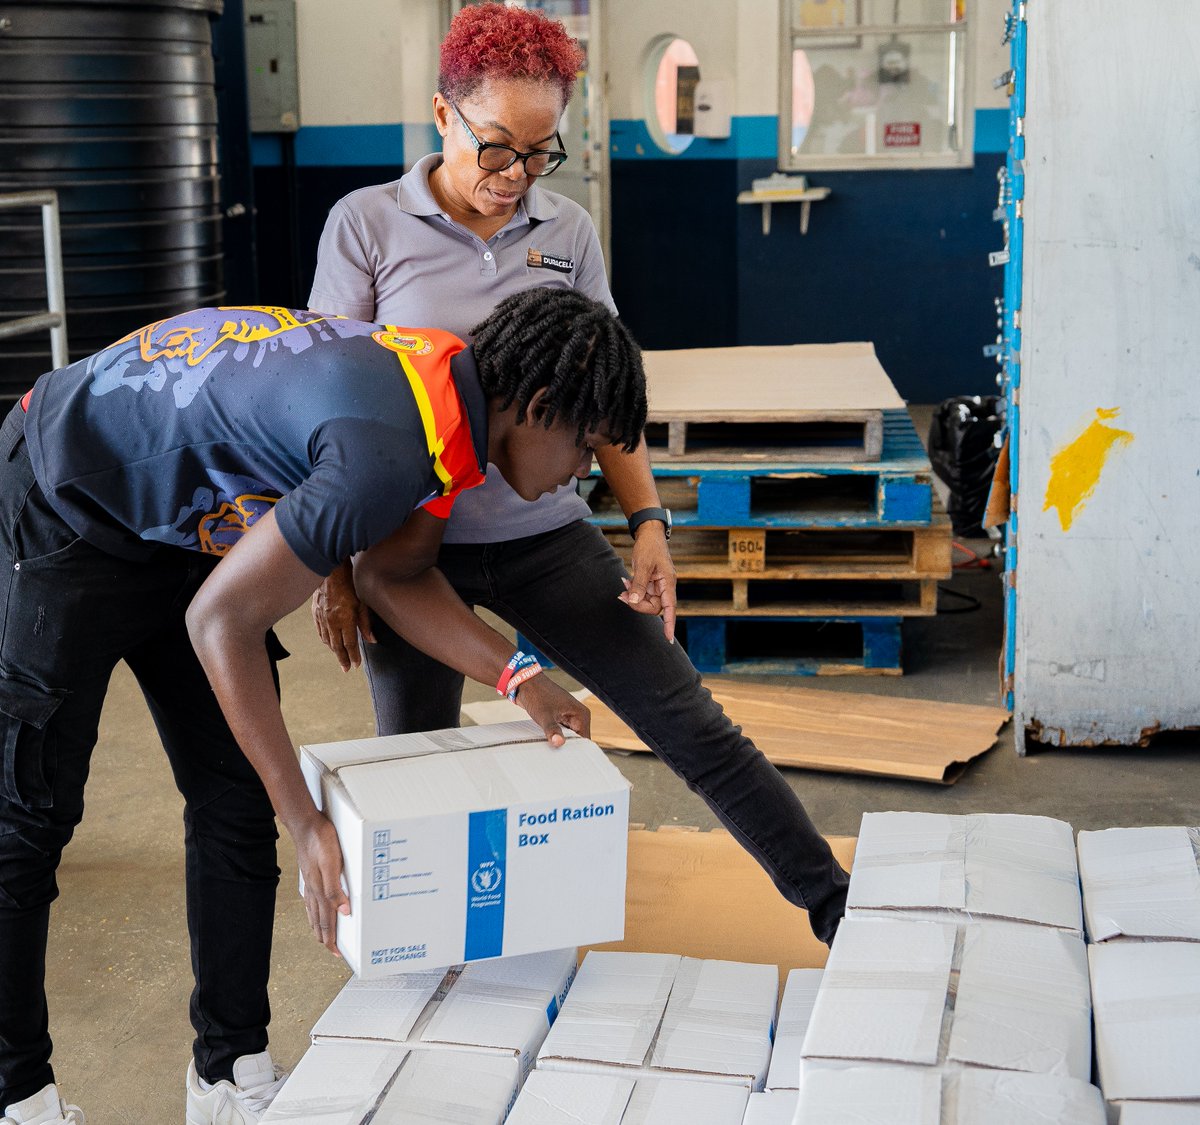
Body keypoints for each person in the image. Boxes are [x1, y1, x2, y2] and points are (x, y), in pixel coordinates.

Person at [0, 291, 646, 1125]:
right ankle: (18, 1093)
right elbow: (221, 621)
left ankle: (228, 1073)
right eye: (586, 447)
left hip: (183, 525)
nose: (583, 473)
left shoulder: (450, 401)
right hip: (68, 498)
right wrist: (308, 822)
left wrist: (519, 677)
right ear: (538, 407)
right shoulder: (386, 449)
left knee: (233, 798)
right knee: (31, 815)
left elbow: (392, 576)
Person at [308, 1, 850, 953]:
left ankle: (833, 902)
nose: (515, 178)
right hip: (403, 549)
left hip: (542, 539)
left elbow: (605, 389)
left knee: (689, 722)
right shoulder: (366, 227)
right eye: (496, 148)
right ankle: (420, 981)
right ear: (443, 115)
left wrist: (648, 526)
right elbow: (329, 410)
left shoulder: (569, 232)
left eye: (539, 152)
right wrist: (333, 567)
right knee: (415, 776)